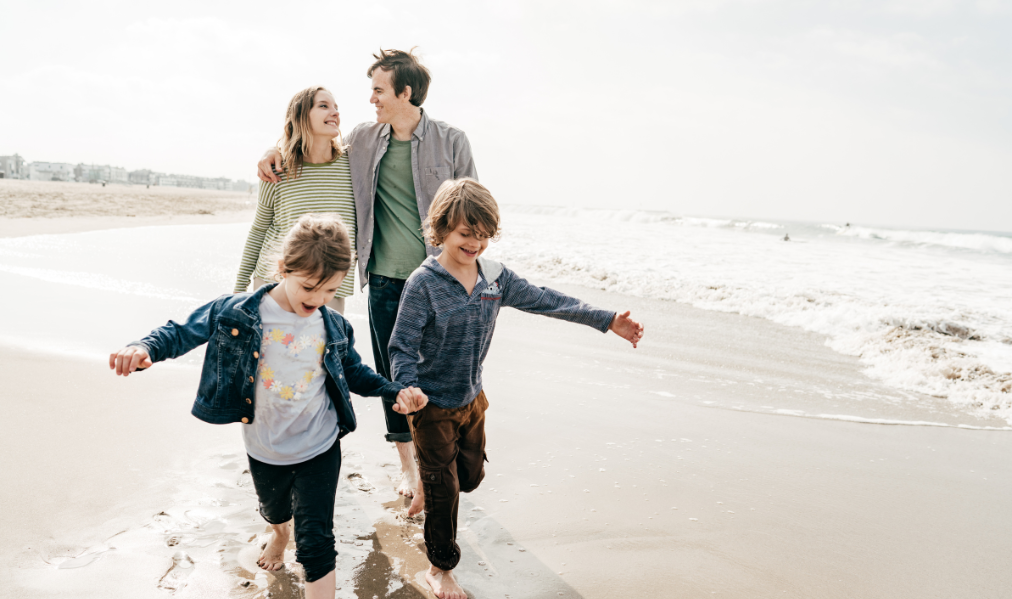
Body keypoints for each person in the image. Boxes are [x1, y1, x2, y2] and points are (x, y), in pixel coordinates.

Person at [109, 215, 428, 599]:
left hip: (320, 445)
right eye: (309, 287)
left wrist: (394, 391)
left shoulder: (335, 326)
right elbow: (182, 330)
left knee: (317, 542)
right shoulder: (239, 313)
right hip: (265, 447)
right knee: (276, 512)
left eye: (331, 290)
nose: (319, 300)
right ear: (282, 269)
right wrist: (145, 348)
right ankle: (279, 534)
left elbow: (356, 373)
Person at [388, 179, 644, 599]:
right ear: (442, 230)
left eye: (484, 235)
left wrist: (607, 319)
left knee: (468, 479)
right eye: (466, 234)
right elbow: (402, 345)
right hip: (430, 406)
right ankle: (440, 568)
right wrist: (408, 388)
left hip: (472, 400)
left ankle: (429, 488)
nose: (475, 243)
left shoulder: (494, 278)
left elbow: (547, 300)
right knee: (445, 487)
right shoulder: (424, 284)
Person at [258, 48, 477, 499]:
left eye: (378, 89)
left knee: (444, 367)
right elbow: (313, 143)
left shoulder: (452, 141)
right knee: (392, 371)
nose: (372, 98)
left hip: (441, 279)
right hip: (382, 277)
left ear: (405, 91)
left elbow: (472, 208)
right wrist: (269, 154)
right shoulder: (363, 139)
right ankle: (411, 468)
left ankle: (449, 447)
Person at [236, 86, 356, 315]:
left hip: (329, 289)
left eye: (336, 108)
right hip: (274, 284)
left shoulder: (353, 165)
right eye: (324, 106)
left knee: (323, 351)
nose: (335, 113)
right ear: (301, 116)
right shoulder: (277, 169)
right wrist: (239, 289)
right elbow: (260, 229)